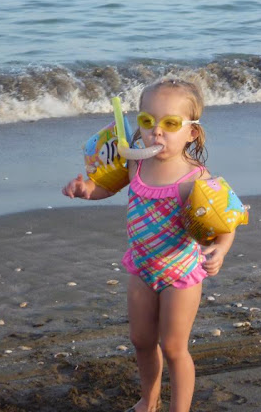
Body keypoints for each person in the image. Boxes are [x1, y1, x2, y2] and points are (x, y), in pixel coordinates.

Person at [62, 78, 236, 412]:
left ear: (191, 132)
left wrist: (222, 249)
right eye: (147, 121)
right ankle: (148, 401)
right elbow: (105, 188)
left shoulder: (195, 178)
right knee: (141, 341)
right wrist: (86, 190)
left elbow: (225, 219)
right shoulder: (135, 163)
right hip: (142, 267)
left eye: (170, 124)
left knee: (173, 347)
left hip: (181, 273)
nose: (156, 132)